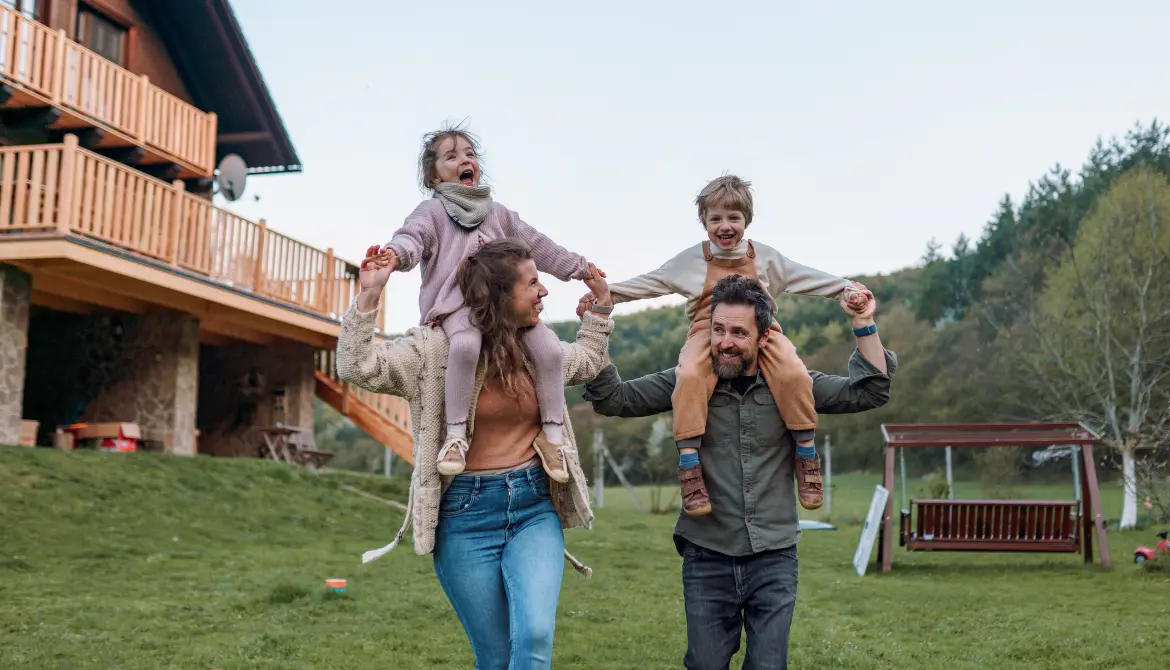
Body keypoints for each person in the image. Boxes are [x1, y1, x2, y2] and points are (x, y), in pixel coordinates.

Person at [582, 274, 895, 670]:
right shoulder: (686, 382)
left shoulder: (794, 385)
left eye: (737, 332)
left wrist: (863, 322)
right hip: (707, 553)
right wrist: (597, 324)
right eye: (717, 329)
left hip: (774, 555)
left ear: (764, 337)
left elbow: (870, 391)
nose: (724, 342)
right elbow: (614, 398)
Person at [339, 238, 615, 670]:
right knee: (495, 655)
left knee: (536, 637)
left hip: (532, 507)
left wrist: (599, 311)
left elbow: (586, 361)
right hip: (465, 517)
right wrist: (370, 295)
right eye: (532, 283)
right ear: (500, 295)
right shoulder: (434, 351)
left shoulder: (538, 350)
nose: (543, 291)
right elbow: (359, 367)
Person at [581, 174, 868, 516]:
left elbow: (806, 275)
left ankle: (806, 455)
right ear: (704, 222)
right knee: (688, 376)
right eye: (715, 218)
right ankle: (690, 466)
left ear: (747, 220)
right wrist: (606, 294)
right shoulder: (690, 261)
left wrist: (844, 287)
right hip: (707, 331)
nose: (725, 226)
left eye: (733, 217)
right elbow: (651, 283)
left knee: (794, 373)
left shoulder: (766, 259)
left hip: (763, 331)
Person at [367, 125, 604, 483]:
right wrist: (394, 256)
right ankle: (457, 435)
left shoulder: (499, 214)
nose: (464, 159)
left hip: (508, 312)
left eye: (469, 154)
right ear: (434, 175)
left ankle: (552, 436)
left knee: (551, 351)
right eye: (451, 156)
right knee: (465, 345)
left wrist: (578, 267)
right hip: (459, 310)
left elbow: (538, 246)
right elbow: (411, 238)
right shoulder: (432, 212)